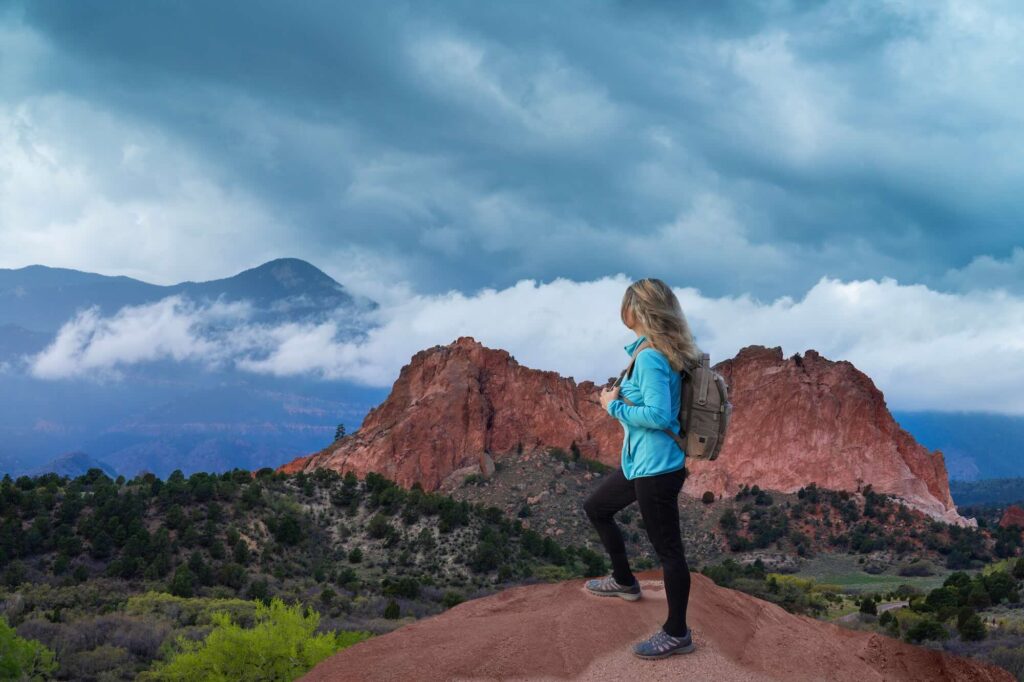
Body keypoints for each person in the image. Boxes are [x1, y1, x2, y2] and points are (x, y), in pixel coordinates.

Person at [583, 277, 701, 660]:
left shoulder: (650, 356)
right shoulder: (656, 351)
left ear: (638, 310)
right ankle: (623, 580)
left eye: (627, 303)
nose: (622, 309)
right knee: (597, 507)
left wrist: (612, 406)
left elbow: (658, 414)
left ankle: (677, 633)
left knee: (669, 551)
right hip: (642, 464)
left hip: (657, 469)